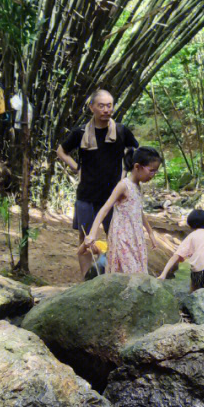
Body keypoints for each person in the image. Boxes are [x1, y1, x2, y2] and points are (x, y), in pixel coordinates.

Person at [56, 88, 139, 278]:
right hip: (87, 193)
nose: (106, 110)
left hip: (113, 196)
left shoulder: (120, 130)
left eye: (109, 105)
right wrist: (77, 167)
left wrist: (126, 174)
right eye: (101, 106)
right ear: (92, 107)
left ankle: (111, 276)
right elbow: (61, 151)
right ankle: (86, 278)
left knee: (115, 237)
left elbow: (136, 151)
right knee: (85, 239)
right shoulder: (81, 132)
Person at [79, 146, 162, 276]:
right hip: (122, 236)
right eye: (151, 171)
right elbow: (105, 209)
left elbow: (138, 211)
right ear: (137, 167)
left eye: (156, 172)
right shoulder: (123, 185)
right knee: (127, 272)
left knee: (137, 271)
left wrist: (150, 232)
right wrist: (92, 234)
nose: (153, 175)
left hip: (135, 236)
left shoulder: (137, 186)